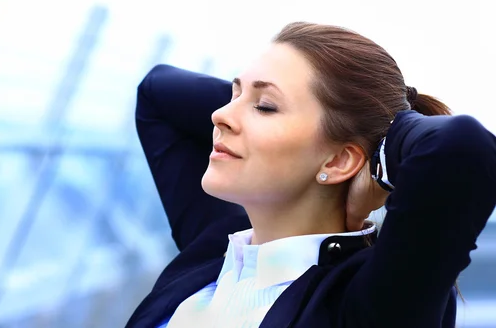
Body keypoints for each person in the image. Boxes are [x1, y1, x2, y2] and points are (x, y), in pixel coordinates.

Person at [125, 22, 496, 328]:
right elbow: (159, 92)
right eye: (232, 95)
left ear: (337, 161)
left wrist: (378, 147)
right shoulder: (211, 251)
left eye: (266, 107)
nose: (219, 115)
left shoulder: (363, 305)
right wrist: (256, 104)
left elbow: (463, 148)